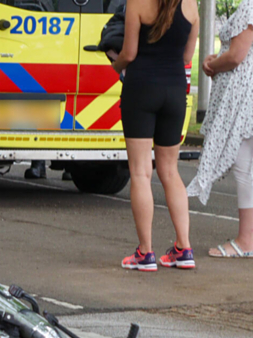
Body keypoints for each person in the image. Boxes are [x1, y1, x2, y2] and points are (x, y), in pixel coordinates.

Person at [113, 0, 199, 272]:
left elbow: (129, 52)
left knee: (140, 172)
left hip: (141, 89)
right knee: (170, 171)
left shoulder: (137, 2)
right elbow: (187, 57)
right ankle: (183, 248)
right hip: (174, 91)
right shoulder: (190, 5)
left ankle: (145, 253)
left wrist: (116, 67)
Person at [187, 0, 253, 257]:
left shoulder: (249, 6)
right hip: (244, 92)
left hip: (242, 96)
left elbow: (237, 56)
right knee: (246, 167)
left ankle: (246, 240)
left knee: (244, 167)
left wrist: (211, 65)